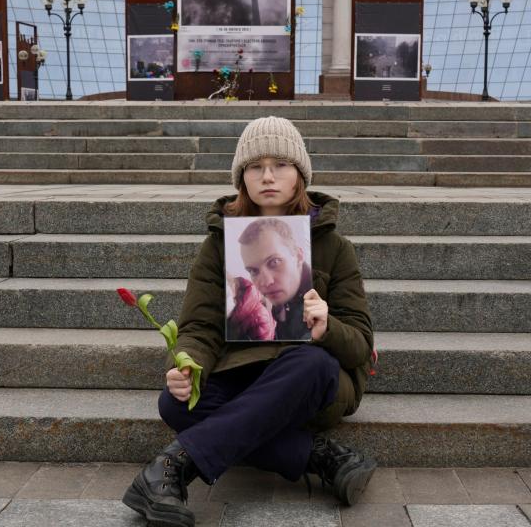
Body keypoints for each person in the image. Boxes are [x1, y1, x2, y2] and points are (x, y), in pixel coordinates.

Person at [123, 116, 376, 527]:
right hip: (242, 373)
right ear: (242, 178)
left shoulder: (334, 246)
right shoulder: (219, 245)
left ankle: (175, 465)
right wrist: (184, 364)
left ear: (301, 175)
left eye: (281, 165)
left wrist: (327, 327)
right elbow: (200, 327)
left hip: (311, 382)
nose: (268, 176)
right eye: (256, 167)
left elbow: (361, 344)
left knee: (309, 363)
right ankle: (322, 457)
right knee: (175, 401)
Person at [226, 217, 312, 342]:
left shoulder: (324, 294)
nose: (266, 282)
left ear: (298, 256)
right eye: (253, 271)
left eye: (274, 262)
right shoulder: (272, 309)